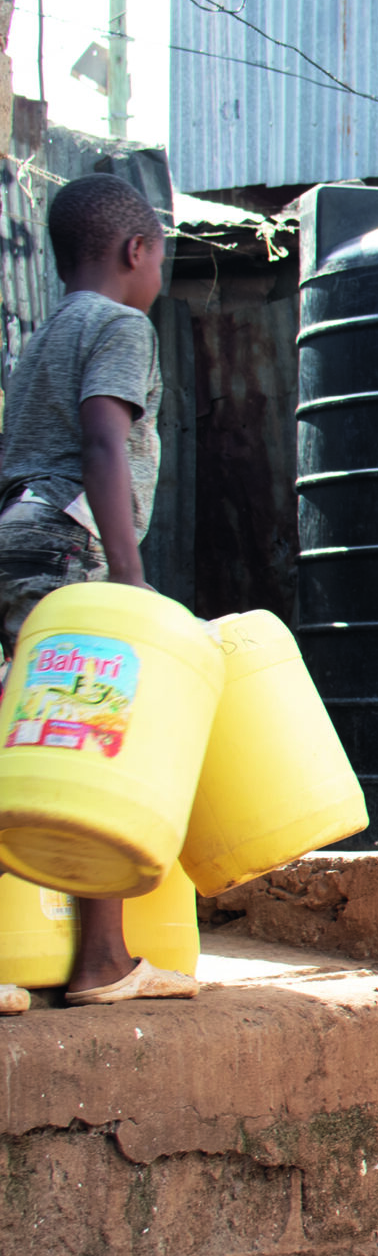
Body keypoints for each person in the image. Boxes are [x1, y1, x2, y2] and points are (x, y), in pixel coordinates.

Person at [0, 175, 189, 1010]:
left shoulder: (44, 335)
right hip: (67, 540)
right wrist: (130, 580)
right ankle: (103, 960)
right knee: (91, 727)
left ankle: (35, 953)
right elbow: (105, 442)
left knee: (26, 729)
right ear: (136, 250)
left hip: (15, 530)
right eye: (163, 254)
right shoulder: (121, 324)